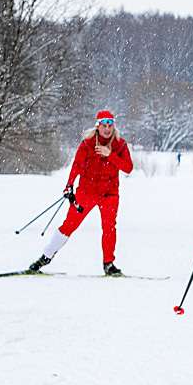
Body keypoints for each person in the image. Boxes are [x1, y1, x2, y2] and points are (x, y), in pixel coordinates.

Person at [27, 110, 134, 276]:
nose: (107, 128)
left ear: (113, 126)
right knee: (69, 225)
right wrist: (68, 185)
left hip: (109, 194)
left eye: (110, 125)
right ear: (97, 126)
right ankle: (45, 257)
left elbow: (128, 167)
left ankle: (109, 264)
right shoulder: (87, 143)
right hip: (87, 191)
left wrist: (110, 155)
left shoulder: (120, 144)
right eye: (103, 125)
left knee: (109, 228)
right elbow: (76, 165)